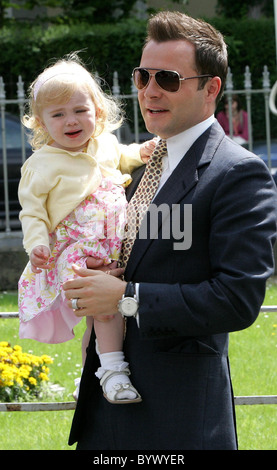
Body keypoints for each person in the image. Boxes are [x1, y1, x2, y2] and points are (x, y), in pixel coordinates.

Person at [63, 12, 277, 450]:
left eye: (168, 78)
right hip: (106, 416)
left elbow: (238, 300)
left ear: (210, 88)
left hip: (178, 421)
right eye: (143, 76)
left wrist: (125, 297)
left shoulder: (238, 173)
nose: (150, 91)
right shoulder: (137, 168)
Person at [18, 53, 157, 403]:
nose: (71, 121)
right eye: (58, 114)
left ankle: (88, 376)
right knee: (106, 309)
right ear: (41, 123)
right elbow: (32, 212)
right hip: (74, 251)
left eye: (80, 110)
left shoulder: (104, 144)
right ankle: (112, 373)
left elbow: (120, 156)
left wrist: (139, 152)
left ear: (98, 111)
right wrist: (37, 246)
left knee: (99, 319)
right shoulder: (41, 164)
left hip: (111, 246)